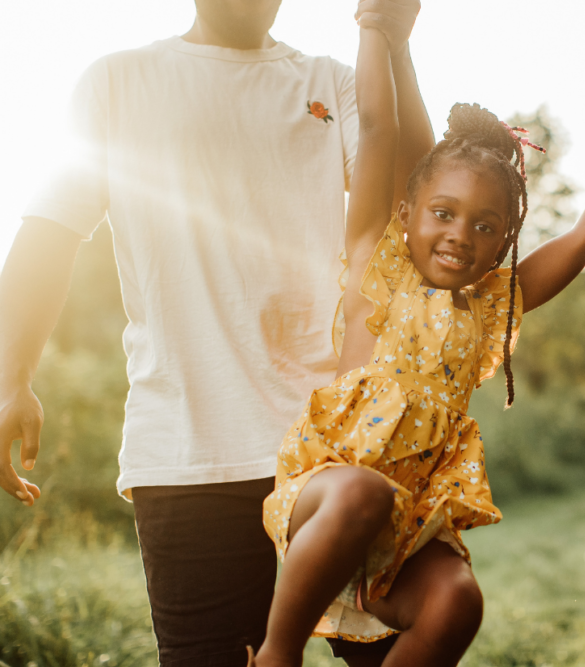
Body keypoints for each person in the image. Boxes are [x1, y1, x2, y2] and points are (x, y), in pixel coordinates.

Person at [0, 0, 435, 663]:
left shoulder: (331, 82)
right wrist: (11, 379)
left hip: (337, 447)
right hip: (186, 455)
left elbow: (420, 190)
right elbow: (48, 234)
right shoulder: (117, 83)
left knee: (397, 647)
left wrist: (397, 49)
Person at [250, 21, 585, 667]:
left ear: (503, 243)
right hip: (327, 498)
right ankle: (275, 654)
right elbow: (378, 128)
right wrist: (375, 28)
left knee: (458, 601)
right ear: (407, 212)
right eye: (443, 212)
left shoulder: (495, 300)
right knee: (364, 492)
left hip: (405, 527)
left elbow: (576, 244)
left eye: (485, 224)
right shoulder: (376, 264)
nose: (460, 233)